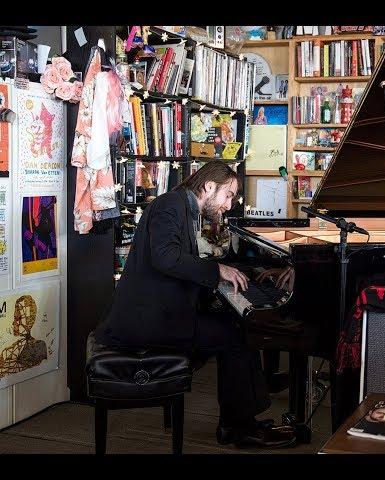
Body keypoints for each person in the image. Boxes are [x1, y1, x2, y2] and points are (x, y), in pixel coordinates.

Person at [94, 160, 295, 448]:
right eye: (228, 195)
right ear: (209, 186)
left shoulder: (180, 206)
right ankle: (239, 428)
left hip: (157, 314)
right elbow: (166, 257)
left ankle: (239, 422)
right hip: (146, 323)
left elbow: (179, 261)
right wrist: (217, 272)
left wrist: (222, 274)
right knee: (237, 336)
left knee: (237, 327)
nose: (229, 204)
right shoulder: (170, 206)